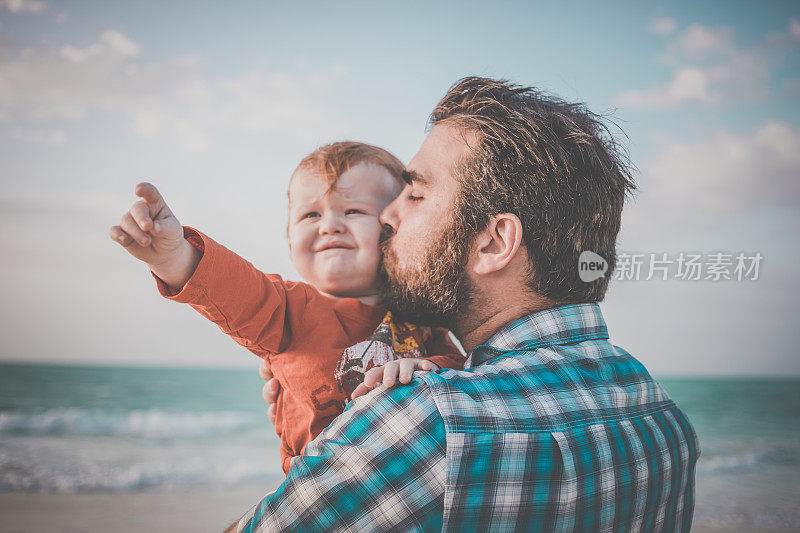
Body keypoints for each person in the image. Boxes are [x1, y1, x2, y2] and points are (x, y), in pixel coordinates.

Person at [242, 77, 700, 532]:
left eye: (415, 195)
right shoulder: (663, 417)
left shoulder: (423, 421)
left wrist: (329, 450)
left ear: (493, 242)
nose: (387, 216)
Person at [109, 141, 465, 475]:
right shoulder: (287, 309)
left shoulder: (420, 316)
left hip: (415, 489)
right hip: (322, 494)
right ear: (290, 239)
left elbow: (462, 374)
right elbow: (233, 289)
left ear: (395, 228)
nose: (329, 226)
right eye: (310, 215)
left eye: (354, 210)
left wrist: (426, 366)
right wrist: (175, 256)